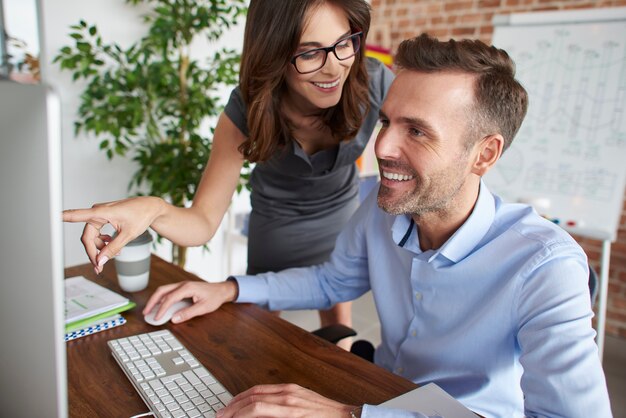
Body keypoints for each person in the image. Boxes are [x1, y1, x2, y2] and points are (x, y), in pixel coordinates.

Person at [143, 33, 613, 417]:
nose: (382, 147)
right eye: (386, 122)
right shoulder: (381, 206)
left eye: (417, 130)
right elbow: (330, 281)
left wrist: (349, 416)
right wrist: (228, 289)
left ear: (484, 154)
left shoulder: (545, 264)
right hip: (379, 392)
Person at [62, 0, 395, 350]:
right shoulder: (248, 108)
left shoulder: (374, 83)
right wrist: (153, 209)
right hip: (276, 226)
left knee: (339, 339)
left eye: (343, 43)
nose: (333, 69)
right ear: (274, 52)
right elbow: (201, 222)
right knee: (259, 335)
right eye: (309, 54)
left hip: (339, 218)